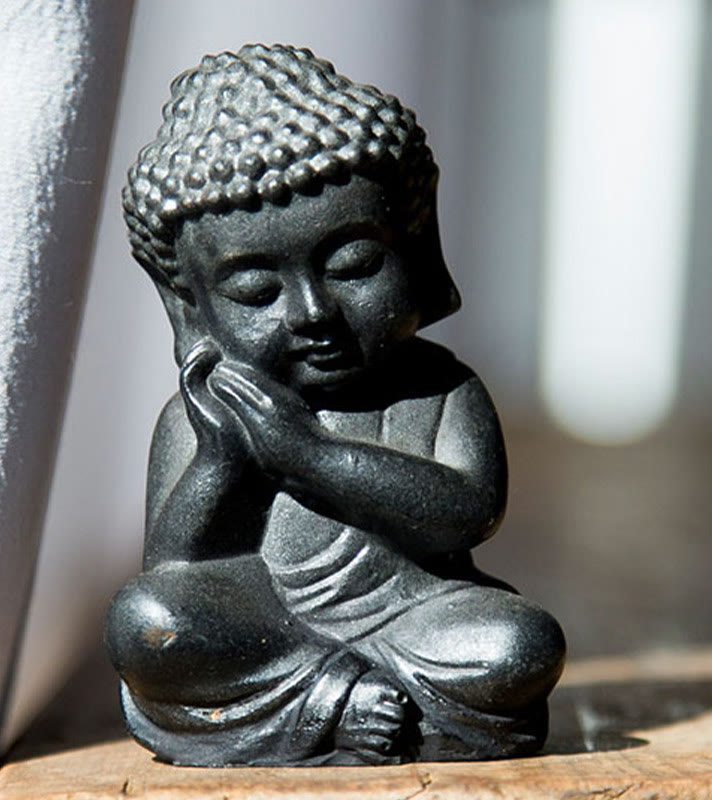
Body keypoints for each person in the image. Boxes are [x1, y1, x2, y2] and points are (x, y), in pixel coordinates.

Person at [105, 43, 565, 767]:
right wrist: (220, 461)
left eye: (355, 265)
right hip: (266, 630)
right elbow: (175, 566)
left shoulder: (441, 389)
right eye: (256, 291)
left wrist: (312, 457)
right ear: (189, 305)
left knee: (519, 645)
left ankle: (332, 708)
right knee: (149, 620)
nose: (313, 312)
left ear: (417, 247)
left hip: (416, 614)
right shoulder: (209, 409)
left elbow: (469, 513)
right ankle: (338, 700)